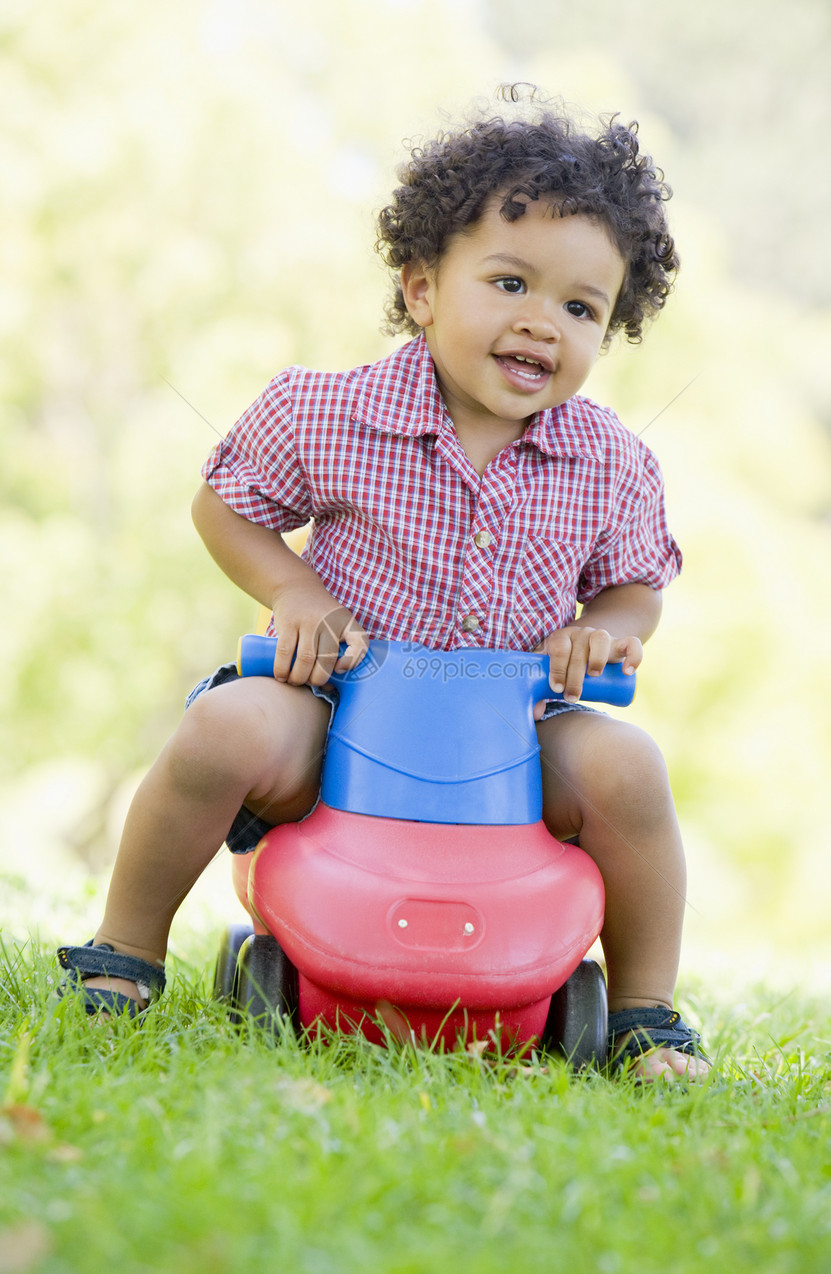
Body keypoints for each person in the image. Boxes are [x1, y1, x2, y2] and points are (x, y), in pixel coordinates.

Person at [58, 88, 709, 1081]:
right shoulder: (330, 413)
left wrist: (605, 633)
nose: (543, 323)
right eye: (509, 283)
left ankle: (643, 1010)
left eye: (580, 307)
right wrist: (294, 594)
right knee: (225, 727)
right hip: (340, 705)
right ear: (419, 289)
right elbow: (224, 505)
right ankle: (125, 949)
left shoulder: (609, 462)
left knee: (628, 768)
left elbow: (633, 588)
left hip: (515, 730)